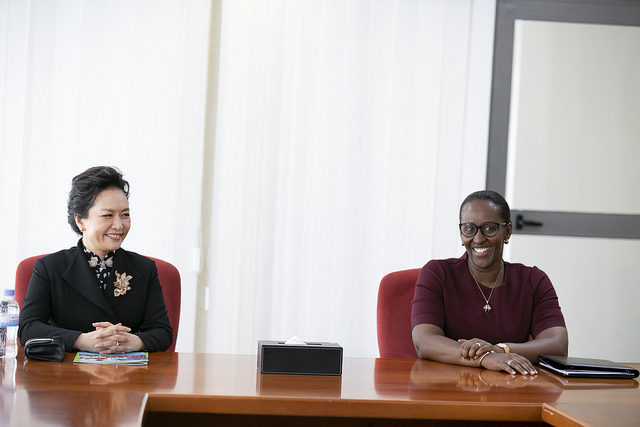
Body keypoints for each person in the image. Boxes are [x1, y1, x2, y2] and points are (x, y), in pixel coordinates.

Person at [411, 190, 568, 375]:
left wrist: (501, 350)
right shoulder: (437, 273)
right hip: (447, 389)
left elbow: (557, 345)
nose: (478, 238)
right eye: (469, 229)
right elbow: (425, 341)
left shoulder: (533, 280)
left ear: (507, 231)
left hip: (511, 391)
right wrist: (485, 358)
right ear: (461, 234)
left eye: (489, 228)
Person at [18, 166, 173, 353]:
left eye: (125, 215)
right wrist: (80, 340)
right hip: (66, 376)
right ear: (80, 221)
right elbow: (28, 329)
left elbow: (162, 332)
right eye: (107, 215)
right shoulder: (50, 268)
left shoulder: (144, 268)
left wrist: (133, 342)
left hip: (126, 376)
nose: (118, 225)